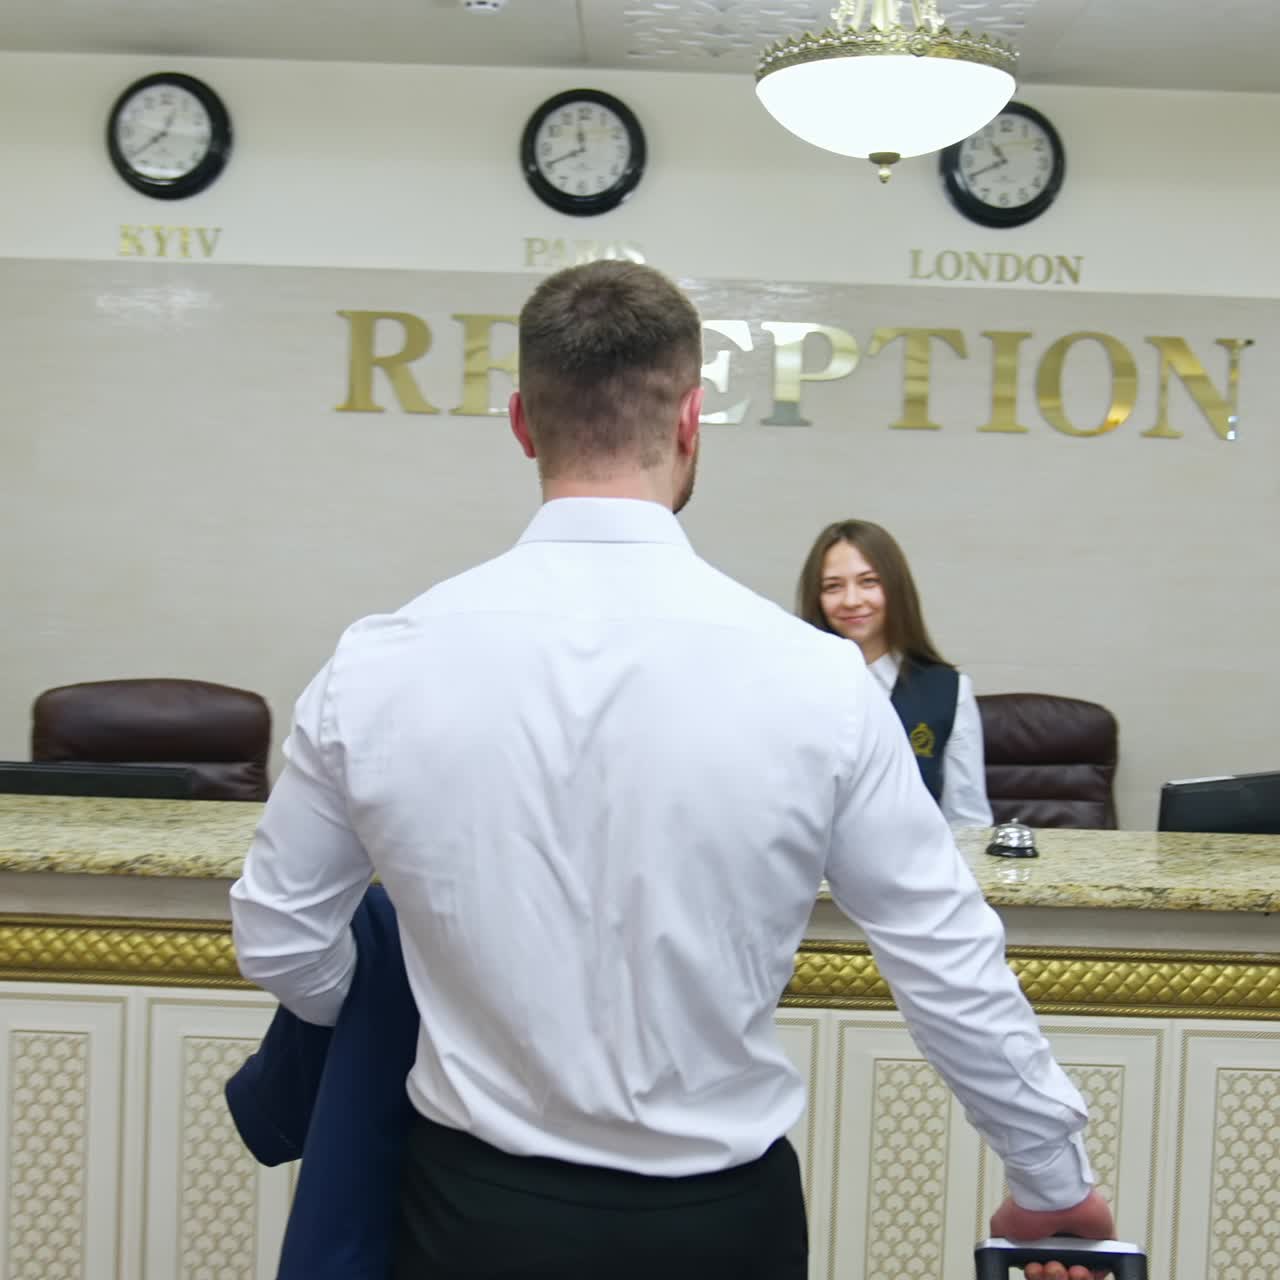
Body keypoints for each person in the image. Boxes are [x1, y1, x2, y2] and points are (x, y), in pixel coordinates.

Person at [230, 259, 1113, 1280]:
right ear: (692, 419)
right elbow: (942, 956)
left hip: (467, 1216)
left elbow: (281, 934)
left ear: (521, 422)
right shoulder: (819, 682)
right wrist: (1051, 1177)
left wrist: (427, 997)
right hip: (721, 1227)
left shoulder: (379, 660)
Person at [798, 519, 995, 827]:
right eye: (833, 586)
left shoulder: (948, 691)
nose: (851, 600)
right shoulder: (793, 686)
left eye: (868, 582)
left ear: (895, 588)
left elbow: (968, 822)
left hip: (913, 872)